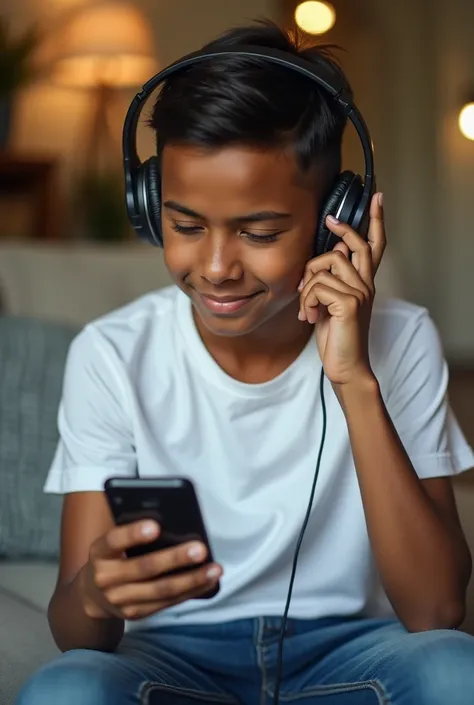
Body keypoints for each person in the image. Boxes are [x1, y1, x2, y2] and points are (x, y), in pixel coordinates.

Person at [16, 19, 474, 705]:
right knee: (65, 688)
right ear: (149, 209)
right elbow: (76, 632)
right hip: (175, 661)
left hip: (348, 649)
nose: (218, 268)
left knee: (455, 670)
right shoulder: (112, 353)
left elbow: (436, 611)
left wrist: (353, 379)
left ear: (332, 220)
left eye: (259, 232)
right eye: (186, 225)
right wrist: (94, 590)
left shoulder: (401, 340)